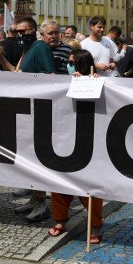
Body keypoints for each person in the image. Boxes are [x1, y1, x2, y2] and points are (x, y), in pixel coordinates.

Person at [48, 48, 104, 243]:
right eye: (68, 62)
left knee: (89, 189)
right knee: (59, 185)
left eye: (73, 62)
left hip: (88, 143)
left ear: (81, 64)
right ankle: (60, 221)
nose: (69, 65)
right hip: (64, 141)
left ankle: (95, 226)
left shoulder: (98, 81)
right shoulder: (62, 81)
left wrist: (93, 82)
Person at [12, 19, 62, 223]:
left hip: (39, 110)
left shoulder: (40, 47)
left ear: (34, 31)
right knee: (30, 158)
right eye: (18, 31)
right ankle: (35, 198)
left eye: (25, 31)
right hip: (30, 109)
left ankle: (41, 203)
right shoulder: (32, 47)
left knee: (37, 158)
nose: (22, 34)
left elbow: (49, 76)